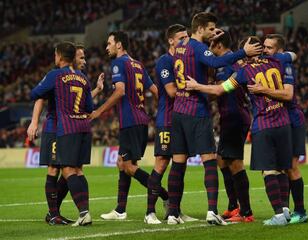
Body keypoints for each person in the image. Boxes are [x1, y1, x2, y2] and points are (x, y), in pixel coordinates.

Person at [185, 36, 296, 226]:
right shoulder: (278, 60)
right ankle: (282, 210)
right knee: (279, 167)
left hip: (256, 122)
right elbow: (292, 55)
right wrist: (282, 53)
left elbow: (221, 90)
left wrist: (196, 86)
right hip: (282, 122)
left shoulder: (244, 71)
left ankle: (256, 212)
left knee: (263, 169)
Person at [166, 12, 262, 225]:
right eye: (210, 29)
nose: (212, 33)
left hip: (180, 112)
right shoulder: (204, 51)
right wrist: (242, 52)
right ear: (200, 28)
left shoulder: (180, 47)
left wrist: (201, 83)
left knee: (179, 162)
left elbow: (215, 78)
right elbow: (217, 63)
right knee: (211, 160)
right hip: (197, 111)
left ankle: (173, 213)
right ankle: (214, 211)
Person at [90, 31, 167, 221]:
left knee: (127, 166)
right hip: (141, 120)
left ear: (119, 45)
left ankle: (166, 196)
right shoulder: (138, 64)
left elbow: (120, 91)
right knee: (122, 164)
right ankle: (120, 209)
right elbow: (155, 90)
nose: (106, 47)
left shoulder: (119, 63)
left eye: (109, 43)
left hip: (130, 121)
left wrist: (98, 111)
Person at [27, 45, 104, 225]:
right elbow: (88, 108)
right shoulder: (83, 78)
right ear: (74, 57)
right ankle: (54, 214)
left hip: (63, 127)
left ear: (60, 56)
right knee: (62, 169)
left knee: (67, 170)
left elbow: (35, 94)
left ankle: (62, 213)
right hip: (63, 126)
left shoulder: (55, 75)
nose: (83, 60)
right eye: (81, 57)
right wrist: (34, 121)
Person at [247, 34, 308, 224]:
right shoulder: (269, 64)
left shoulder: (284, 64)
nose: (265, 50)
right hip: (278, 121)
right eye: (263, 47)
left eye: (269, 48)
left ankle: (300, 211)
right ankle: (285, 210)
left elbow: (288, 95)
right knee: (281, 168)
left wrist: (261, 90)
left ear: (279, 51)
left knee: (290, 167)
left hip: (292, 119)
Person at [145, 24, 197, 224]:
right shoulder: (165, 61)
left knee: (180, 166)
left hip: (183, 118)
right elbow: (171, 92)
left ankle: (174, 210)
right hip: (167, 120)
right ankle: (150, 212)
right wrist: (198, 89)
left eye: (187, 37)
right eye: (182, 37)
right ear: (171, 40)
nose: (185, 40)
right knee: (161, 163)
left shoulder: (183, 60)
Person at [209, 31, 254, 223]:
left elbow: (217, 91)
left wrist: (194, 92)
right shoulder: (234, 62)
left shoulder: (225, 63)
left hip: (234, 116)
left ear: (219, 45)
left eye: (211, 44)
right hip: (233, 116)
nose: (209, 49)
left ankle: (246, 212)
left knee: (235, 163)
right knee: (222, 160)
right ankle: (233, 206)